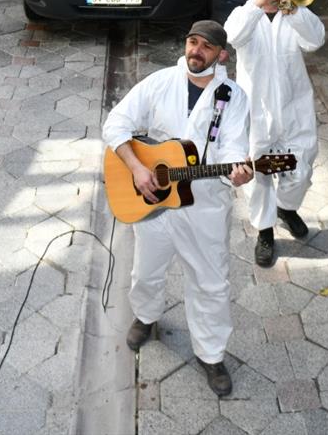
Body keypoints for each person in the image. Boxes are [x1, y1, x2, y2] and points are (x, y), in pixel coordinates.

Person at [103, 20, 253, 397]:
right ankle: (147, 317)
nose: (196, 51)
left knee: (211, 284)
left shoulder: (233, 97)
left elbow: (234, 149)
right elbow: (115, 123)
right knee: (145, 271)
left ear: (221, 55)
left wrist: (238, 172)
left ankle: (211, 354)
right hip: (153, 201)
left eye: (206, 46)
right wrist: (138, 169)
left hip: (204, 209)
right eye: (192, 42)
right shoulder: (159, 82)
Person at [225, 0, 326, 267]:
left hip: (294, 109)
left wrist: (293, 9)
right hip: (256, 112)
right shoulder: (244, 15)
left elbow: (316, 40)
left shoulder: (293, 11)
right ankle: (265, 231)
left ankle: (286, 207)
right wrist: (259, 4)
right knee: (260, 174)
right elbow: (231, 38)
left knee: (302, 166)